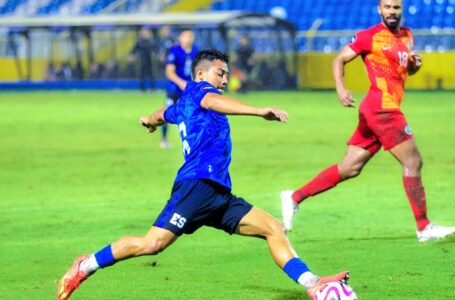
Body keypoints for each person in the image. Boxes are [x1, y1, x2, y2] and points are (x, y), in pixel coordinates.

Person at [56, 50, 348, 300]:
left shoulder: (184, 103)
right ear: (200, 74)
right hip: (196, 186)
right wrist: (259, 111)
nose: (224, 80)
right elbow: (212, 102)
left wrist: (150, 120)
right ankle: (87, 264)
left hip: (218, 193)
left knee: (273, 227)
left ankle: (312, 282)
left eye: (226, 75)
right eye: (220, 73)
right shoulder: (201, 94)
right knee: (152, 244)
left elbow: (163, 113)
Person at [280, 0, 455, 243]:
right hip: (382, 108)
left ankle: (294, 197)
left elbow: (404, 70)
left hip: (376, 110)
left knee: (350, 167)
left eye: (396, 8)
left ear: (400, 10)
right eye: (387, 7)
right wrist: (341, 88)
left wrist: (413, 66)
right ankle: (424, 227)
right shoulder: (368, 36)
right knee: (413, 161)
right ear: (379, 9)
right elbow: (338, 60)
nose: (392, 12)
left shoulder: (407, 35)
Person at [160, 28, 198, 148]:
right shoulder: (175, 51)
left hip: (188, 89)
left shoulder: (196, 51)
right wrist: (181, 83)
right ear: (180, 38)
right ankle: (164, 140)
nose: (188, 39)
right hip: (174, 88)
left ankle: (193, 142)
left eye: (190, 36)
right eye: (186, 36)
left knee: (192, 113)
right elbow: (169, 72)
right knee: (168, 111)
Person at [130, 27, 154, 92]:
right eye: (143, 32)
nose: (144, 33)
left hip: (150, 61)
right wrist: (132, 55)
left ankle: (152, 88)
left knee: (151, 75)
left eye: (146, 32)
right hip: (141, 60)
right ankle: (142, 89)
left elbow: (155, 50)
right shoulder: (139, 41)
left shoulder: (151, 41)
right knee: (142, 75)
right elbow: (134, 50)